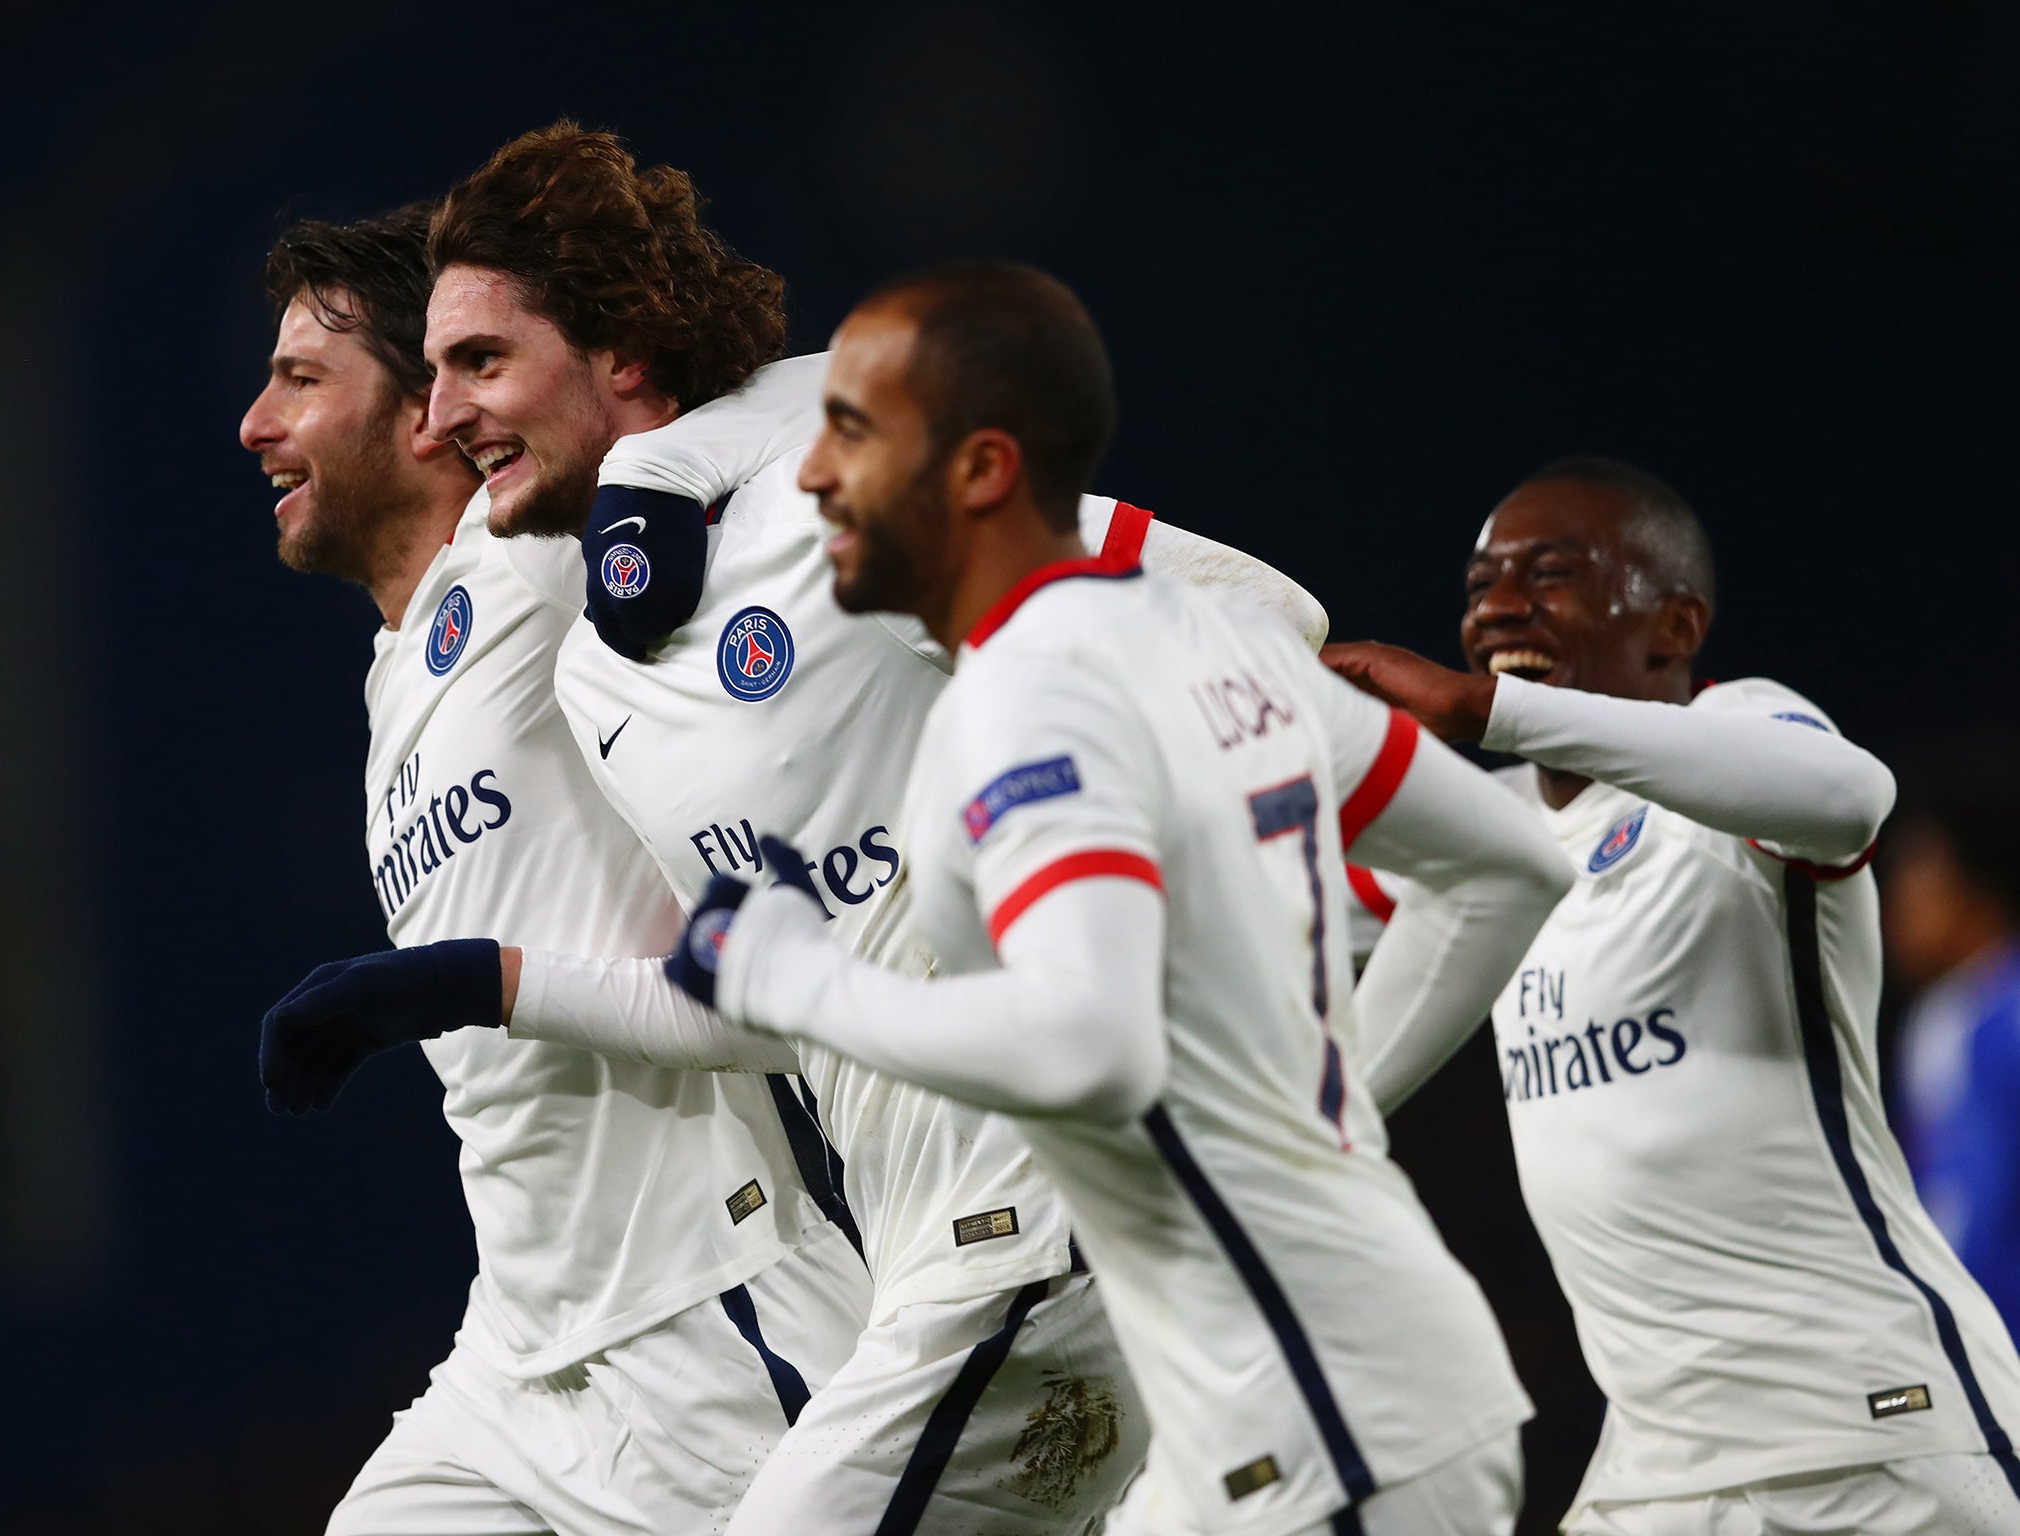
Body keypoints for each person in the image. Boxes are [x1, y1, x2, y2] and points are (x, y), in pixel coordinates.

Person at [263, 122, 1327, 1535]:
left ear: (619, 355)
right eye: (443, 367)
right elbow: (748, 997)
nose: (453, 413)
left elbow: (1272, 623)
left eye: (478, 365)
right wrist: (464, 985)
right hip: (807, 1270)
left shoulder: (806, 510)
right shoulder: (594, 676)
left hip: (913, 1245)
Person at [663, 261, 1574, 1535]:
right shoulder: (1203, 641)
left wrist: (791, 979)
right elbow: (1507, 863)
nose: (811, 480)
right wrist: (1331, 1112)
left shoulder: (1028, 696)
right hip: (1338, 1404)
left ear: (980, 469)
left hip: (1310, 1435)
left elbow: (1086, 1042)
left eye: (852, 437)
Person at [242, 206, 868, 1536]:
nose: (256, 423)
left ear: (426, 411)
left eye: (301, 380)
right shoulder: (396, 670)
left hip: (710, 1320)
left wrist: (660, 477)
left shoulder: (535, 556)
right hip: (517, 1359)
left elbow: (833, 387)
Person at [1323, 458, 2020, 1533]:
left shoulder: (1743, 736)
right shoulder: (1487, 848)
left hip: (1867, 1439)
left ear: (1673, 626)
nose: (1498, 605)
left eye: (1548, 574)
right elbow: (1269, 893)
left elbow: (1849, 796)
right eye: (1477, 586)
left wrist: (1487, 708)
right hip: (1654, 1468)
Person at [1884, 740, 2020, 1338]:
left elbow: (1971, 1212)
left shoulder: (2003, 1017)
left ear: (1978, 877)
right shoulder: (1945, 1013)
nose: (1894, 899)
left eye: (1917, 869)